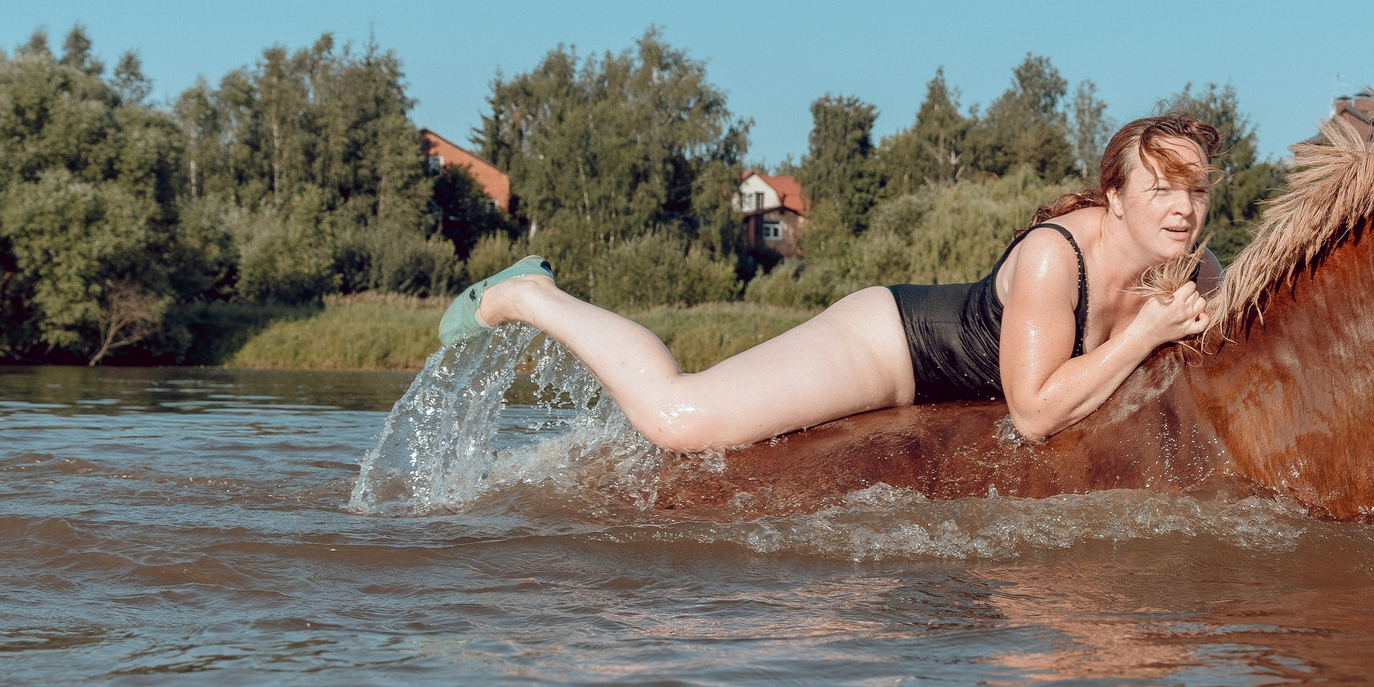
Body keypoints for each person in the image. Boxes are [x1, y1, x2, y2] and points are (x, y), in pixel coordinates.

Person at [446, 115, 1225, 453]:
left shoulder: (1197, 265)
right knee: (678, 418)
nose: (1182, 209)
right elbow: (1032, 412)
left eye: (1195, 191)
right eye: (1161, 188)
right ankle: (530, 297)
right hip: (891, 345)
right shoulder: (1058, 256)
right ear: (1114, 196)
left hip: (939, 378)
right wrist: (1145, 333)